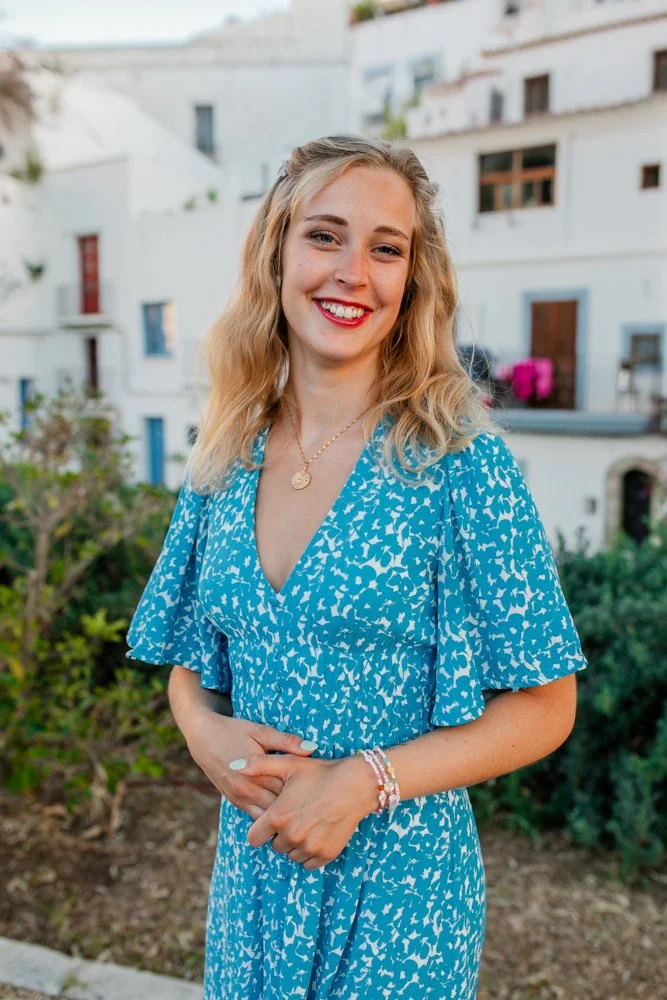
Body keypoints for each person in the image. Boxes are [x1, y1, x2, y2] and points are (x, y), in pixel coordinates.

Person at [126, 135, 588, 1000]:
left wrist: (365, 781)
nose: (353, 272)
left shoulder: (458, 462)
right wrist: (201, 731)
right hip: (254, 879)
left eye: (386, 248)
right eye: (325, 235)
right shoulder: (227, 451)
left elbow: (545, 706)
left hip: (400, 898)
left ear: (411, 280)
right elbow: (190, 660)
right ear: (277, 251)